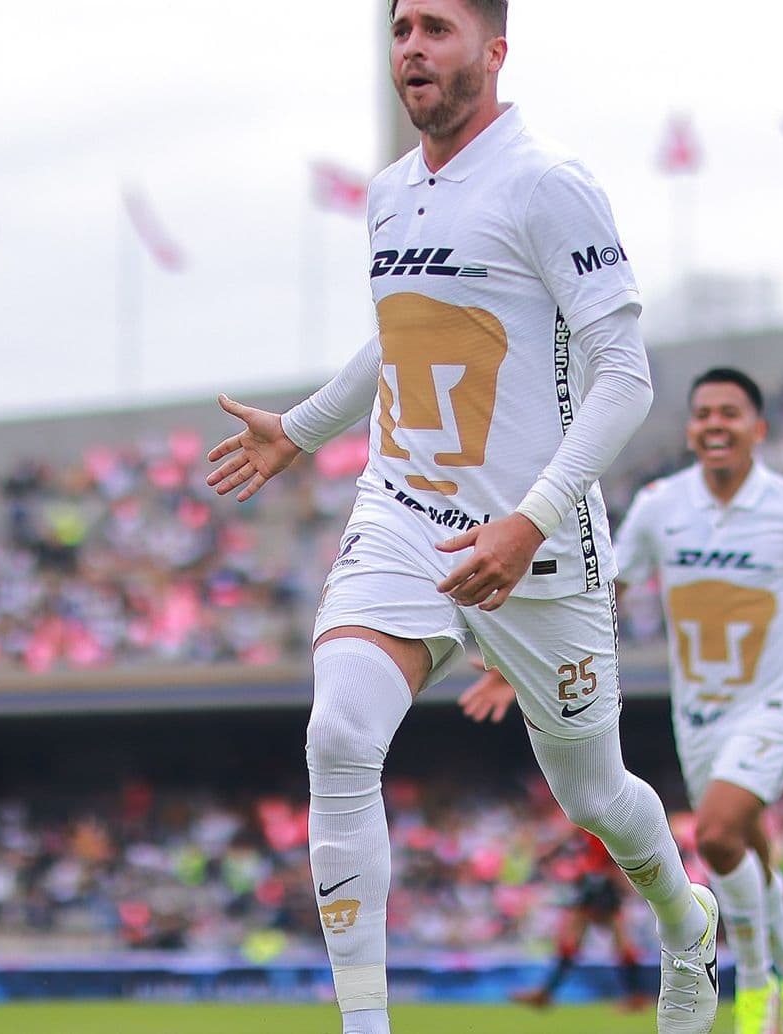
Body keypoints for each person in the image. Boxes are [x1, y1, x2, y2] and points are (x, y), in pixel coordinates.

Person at [203, 3, 717, 1031]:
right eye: (399, 31)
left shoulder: (549, 182)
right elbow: (400, 340)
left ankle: (684, 921)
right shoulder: (390, 194)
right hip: (401, 509)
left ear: (493, 49)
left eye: (436, 29)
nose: (411, 50)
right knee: (341, 731)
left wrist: (528, 520)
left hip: (536, 544)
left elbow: (625, 376)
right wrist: (301, 430)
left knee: (594, 794)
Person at [461, 367, 783, 1034]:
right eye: (703, 413)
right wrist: (522, 667)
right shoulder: (659, 508)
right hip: (699, 716)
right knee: (746, 851)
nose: (714, 425)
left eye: (730, 413)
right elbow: (604, 596)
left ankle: (757, 986)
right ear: (690, 429)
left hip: (774, 706)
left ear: (758, 429)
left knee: (714, 833)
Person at [509, 830, 652, 1013]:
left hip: (599, 880)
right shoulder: (598, 817)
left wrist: (548, 852)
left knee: (589, 937)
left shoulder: (599, 816)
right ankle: (635, 995)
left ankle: (547, 993)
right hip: (597, 879)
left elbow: (593, 841)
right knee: (589, 938)